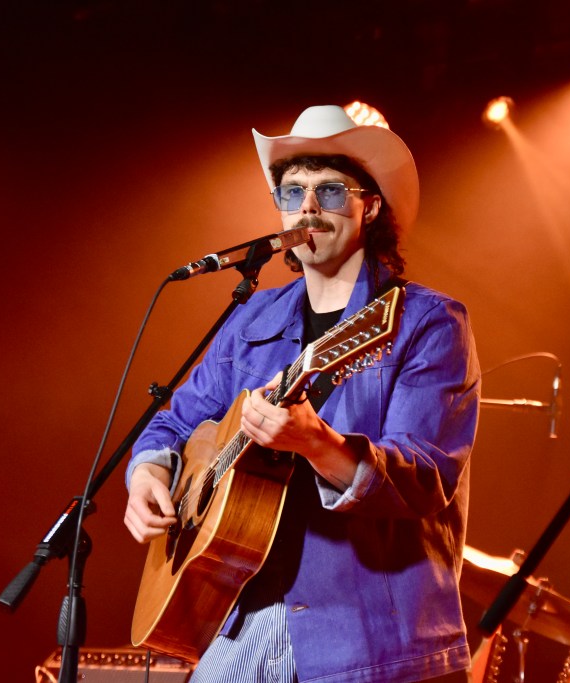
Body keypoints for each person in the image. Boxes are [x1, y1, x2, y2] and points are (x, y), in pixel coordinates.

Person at [124, 105, 480, 683]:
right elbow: (171, 422)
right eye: (293, 193)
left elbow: (426, 477)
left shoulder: (423, 322)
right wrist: (147, 475)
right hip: (247, 617)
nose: (308, 207)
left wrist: (318, 444)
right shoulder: (252, 319)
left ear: (370, 206)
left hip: (369, 637)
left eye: (330, 190)